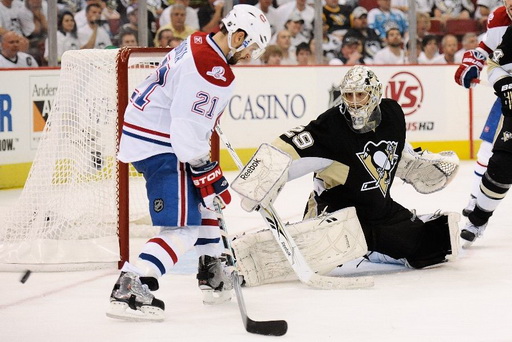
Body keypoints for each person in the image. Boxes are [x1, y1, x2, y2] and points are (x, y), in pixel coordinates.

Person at [106, 4, 271, 322]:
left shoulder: (200, 41)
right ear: (237, 36)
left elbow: (184, 103)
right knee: (183, 228)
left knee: (208, 206)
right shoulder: (212, 69)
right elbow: (185, 127)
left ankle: (212, 274)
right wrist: (205, 170)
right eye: (251, 47)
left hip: (153, 133)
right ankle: (130, 288)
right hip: (163, 144)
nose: (251, 55)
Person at [230, 65, 460, 287]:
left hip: (381, 212)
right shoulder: (333, 126)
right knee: (317, 252)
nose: (354, 102)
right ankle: (237, 260)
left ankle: (372, 250)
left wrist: (421, 164)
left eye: (361, 94)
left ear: (376, 94)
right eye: (348, 95)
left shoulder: (393, 115)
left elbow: (396, 151)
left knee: (433, 246)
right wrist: (260, 176)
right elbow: (291, 146)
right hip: (339, 215)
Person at [453, 0, 512, 243]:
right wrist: (473, 61)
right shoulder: (501, 20)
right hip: (510, 98)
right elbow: (489, 55)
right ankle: (477, 204)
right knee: (495, 156)